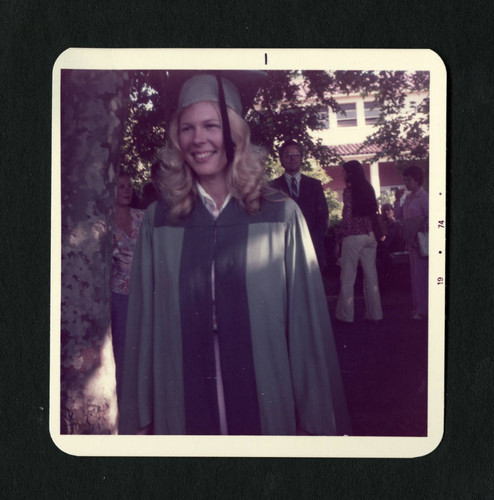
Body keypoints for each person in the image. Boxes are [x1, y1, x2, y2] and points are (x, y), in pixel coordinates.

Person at [118, 71, 350, 436]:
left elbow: (305, 326)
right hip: (180, 390)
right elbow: (143, 325)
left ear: (235, 134)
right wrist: (141, 415)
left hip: (265, 388)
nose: (198, 139)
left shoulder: (279, 214)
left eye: (211, 125)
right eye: (187, 128)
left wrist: (314, 420)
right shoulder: (159, 221)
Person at [335, 160, 383, 324]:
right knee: (371, 276)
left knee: (348, 277)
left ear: (350, 173)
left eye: (344, 172)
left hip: (353, 236)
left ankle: (345, 315)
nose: (342, 175)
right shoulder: (368, 188)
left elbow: (347, 216)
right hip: (370, 235)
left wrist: (341, 234)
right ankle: (375, 314)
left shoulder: (349, 191)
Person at [111, 172, 144, 400]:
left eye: (129, 186)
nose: (126, 190)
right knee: (122, 348)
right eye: (120, 186)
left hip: (144, 292)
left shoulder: (142, 217)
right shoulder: (101, 219)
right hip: (118, 294)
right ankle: (123, 400)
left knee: (144, 346)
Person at [270, 140, 329, 269]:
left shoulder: (315, 185)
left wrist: (311, 239)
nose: (292, 158)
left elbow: (323, 217)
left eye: (296, 154)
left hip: (311, 246)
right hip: (282, 249)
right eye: (287, 155)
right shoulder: (272, 187)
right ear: (281, 159)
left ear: (301, 158)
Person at [393, 165, 429, 320]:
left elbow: (431, 219)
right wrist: (397, 200)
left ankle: (423, 309)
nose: (406, 182)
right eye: (404, 179)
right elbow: (399, 215)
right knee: (415, 276)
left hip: (421, 242)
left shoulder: (424, 197)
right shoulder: (408, 198)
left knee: (422, 275)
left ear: (417, 179)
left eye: (409, 179)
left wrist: (419, 226)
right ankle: (417, 307)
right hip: (412, 242)